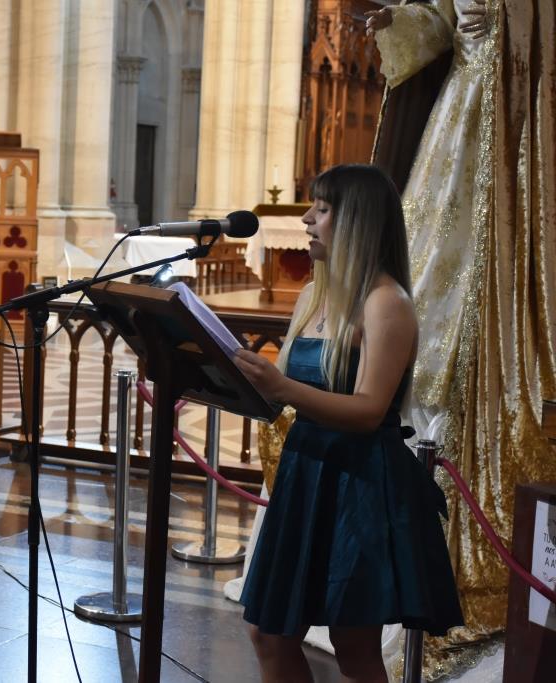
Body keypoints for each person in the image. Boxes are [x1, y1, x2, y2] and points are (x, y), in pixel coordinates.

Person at [366, 0, 556, 650]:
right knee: (430, 281)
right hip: (463, 121)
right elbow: (438, 23)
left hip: (534, 120)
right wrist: (399, 20)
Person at [233, 164, 463, 683]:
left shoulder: (386, 302)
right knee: (269, 632)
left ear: (357, 219)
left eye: (322, 208)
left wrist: (282, 388)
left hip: (358, 481)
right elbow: (294, 393)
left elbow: (368, 409)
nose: (307, 218)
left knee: (353, 643)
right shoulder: (316, 296)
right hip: (308, 468)